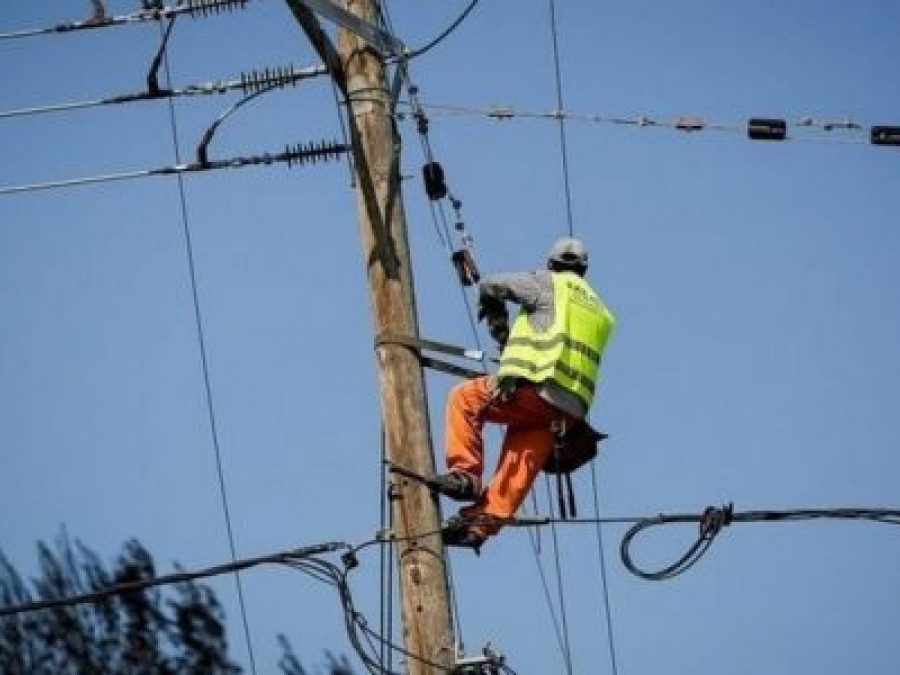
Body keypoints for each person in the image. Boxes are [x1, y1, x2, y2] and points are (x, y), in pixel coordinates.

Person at [434, 236, 616, 549]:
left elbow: (491, 285)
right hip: (568, 410)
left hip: (539, 389)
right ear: (584, 270)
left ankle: (465, 476)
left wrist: (499, 326)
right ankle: (479, 526)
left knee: (464, 398)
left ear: (550, 264)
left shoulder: (548, 283)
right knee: (519, 463)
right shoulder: (600, 309)